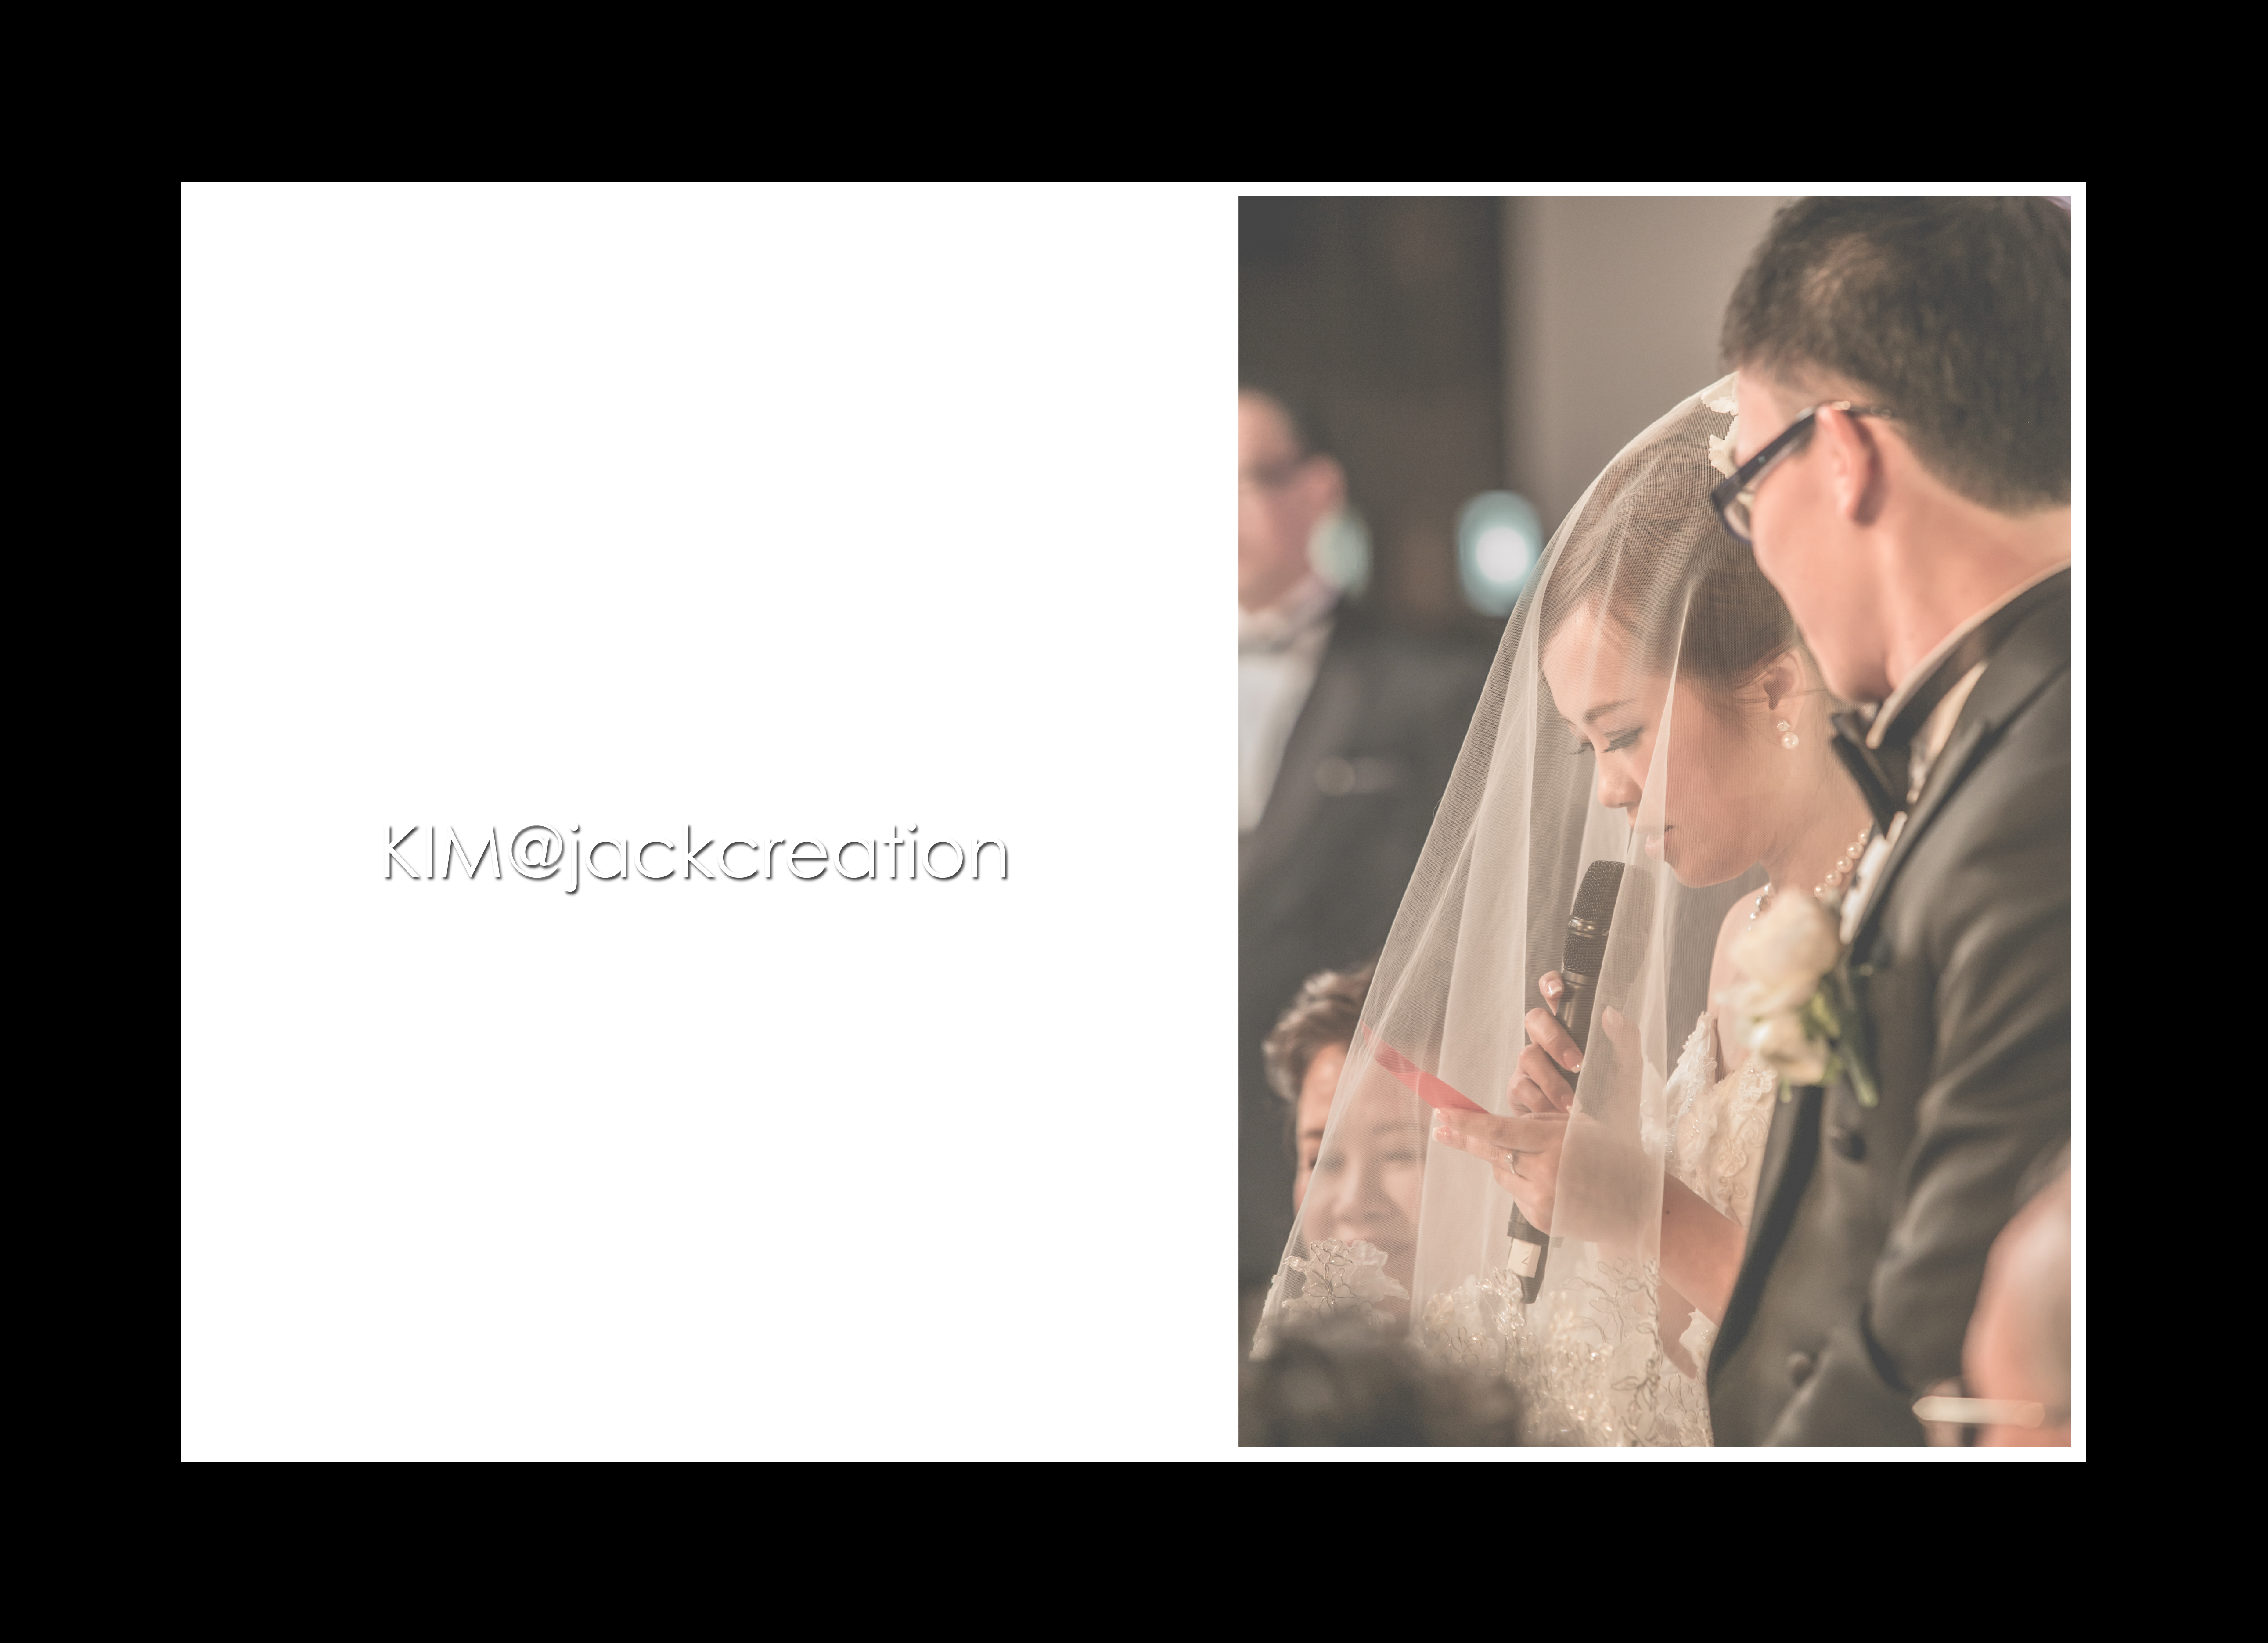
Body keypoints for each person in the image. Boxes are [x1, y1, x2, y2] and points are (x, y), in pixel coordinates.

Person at [1254, 378, 1860, 1445]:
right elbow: (1687, 1350)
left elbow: (1880, 1342)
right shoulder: (1740, 939)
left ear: (1775, 691)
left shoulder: (1890, 930)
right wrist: (1612, 1156)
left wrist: (1645, 1204)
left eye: (1623, 734)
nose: (1611, 790)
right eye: (1587, 748)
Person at [1703, 198, 2071, 1445]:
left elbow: (1944, 1308)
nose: (1755, 543)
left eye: (1746, 485)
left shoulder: (2050, 776)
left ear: (1843, 456)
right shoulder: (2000, 725)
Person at [1238, 389, 1493, 1312]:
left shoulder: (1430, 688)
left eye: (1241, 478)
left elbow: (1468, 932)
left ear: (1318, 490)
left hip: (1339, 1185)